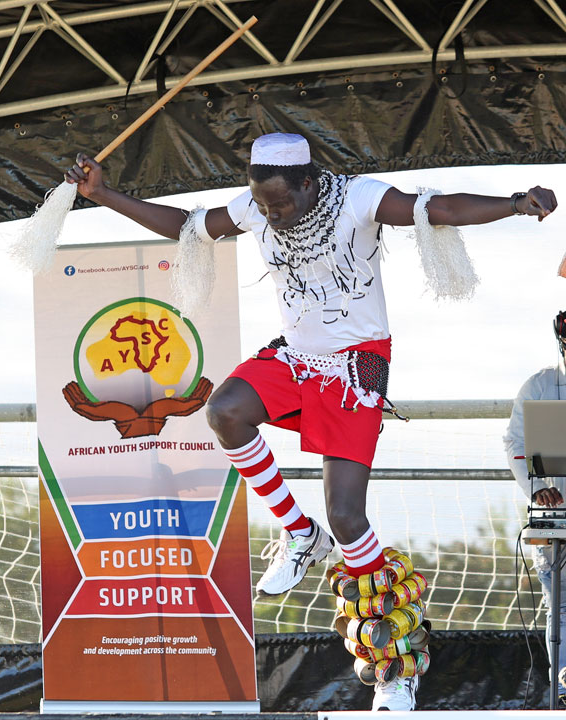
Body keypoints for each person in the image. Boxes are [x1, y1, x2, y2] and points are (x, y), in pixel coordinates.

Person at [66, 133, 557, 711]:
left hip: (355, 366)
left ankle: (394, 667)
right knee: (224, 409)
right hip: (295, 358)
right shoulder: (258, 207)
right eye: (265, 206)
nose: (274, 215)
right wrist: (104, 196)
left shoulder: (356, 198)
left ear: (308, 180)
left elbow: (441, 209)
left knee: (348, 518)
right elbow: (186, 224)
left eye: (283, 203)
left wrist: (517, 202)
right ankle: (300, 534)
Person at [504, 311, 566, 707]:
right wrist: (537, 488)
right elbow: (515, 442)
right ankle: (562, 688)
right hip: (557, 518)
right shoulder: (543, 386)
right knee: (559, 608)